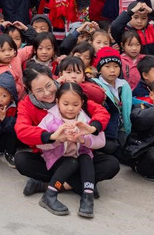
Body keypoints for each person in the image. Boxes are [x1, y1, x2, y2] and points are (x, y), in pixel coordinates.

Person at [36, 82, 104, 217]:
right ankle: (49, 194)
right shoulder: (50, 119)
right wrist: (57, 139)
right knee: (71, 162)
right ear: (57, 101)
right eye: (65, 104)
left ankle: (87, 197)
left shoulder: (85, 119)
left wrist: (83, 140)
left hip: (81, 159)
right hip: (59, 160)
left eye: (75, 104)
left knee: (87, 158)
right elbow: (39, 144)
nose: (70, 109)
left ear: (82, 103)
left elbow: (101, 141)